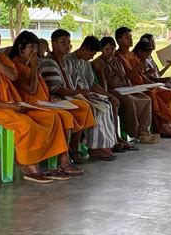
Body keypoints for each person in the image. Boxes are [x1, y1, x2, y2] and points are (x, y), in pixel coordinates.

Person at [0, 22, 74, 183]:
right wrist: (9, 106)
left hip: (15, 104)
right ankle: (28, 167)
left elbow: (12, 76)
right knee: (27, 125)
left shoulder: (0, 58)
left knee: (52, 117)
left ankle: (51, 165)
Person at [8, 31, 84, 176]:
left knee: (67, 116)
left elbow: (41, 88)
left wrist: (49, 98)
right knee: (59, 117)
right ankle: (63, 162)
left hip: (42, 102)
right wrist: (35, 67)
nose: (35, 52)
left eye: (37, 48)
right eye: (31, 48)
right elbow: (31, 90)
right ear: (20, 48)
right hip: (29, 105)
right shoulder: (16, 65)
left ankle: (63, 160)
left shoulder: (28, 63)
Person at [40, 30, 115, 161]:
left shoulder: (67, 63)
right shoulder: (48, 62)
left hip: (71, 96)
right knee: (86, 107)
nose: (67, 45)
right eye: (63, 42)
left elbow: (78, 83)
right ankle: (79, 147)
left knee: (103, 104)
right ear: (54, 44)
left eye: (68, 42)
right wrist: (77, 93)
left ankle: (102, 145)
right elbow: (55, 88)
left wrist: (81, 93)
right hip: (56, 99)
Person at [67, 35, 133, 153]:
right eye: (91, 54)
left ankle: (111, 140)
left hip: (87, 94)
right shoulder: (69, 60)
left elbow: (92, 84)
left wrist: (109, 95)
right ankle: (95, 147)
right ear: (83, 49)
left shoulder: (86, 62)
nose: (92, 57)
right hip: (74, 95)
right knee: (97, 108)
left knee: (110, 103)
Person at [92, 37, 159, 145]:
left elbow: (125, 76)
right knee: (131, 101)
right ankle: (134, 132)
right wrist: (108, 95)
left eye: (112, 49)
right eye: (107, 49)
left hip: (125, 88)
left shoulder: (117, 60)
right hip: (112, 90)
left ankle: (144, 132)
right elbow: (103, 81)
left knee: (146, 98)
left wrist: (132, 88)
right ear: (101, 50)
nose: (110, 52)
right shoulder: (98, 62)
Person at [115, 27, 171, 138]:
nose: (130, 39)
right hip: (132, 87)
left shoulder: (132, 55)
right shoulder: (118, 57)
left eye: (130, 36)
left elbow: (141, 74)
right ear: (119, 41)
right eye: (127, 37)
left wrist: (150, 81)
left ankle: (169, 122)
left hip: (142, 84)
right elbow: (126, 77)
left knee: (167, 93)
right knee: (153, 95)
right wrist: (139, 68)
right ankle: (160, 126)